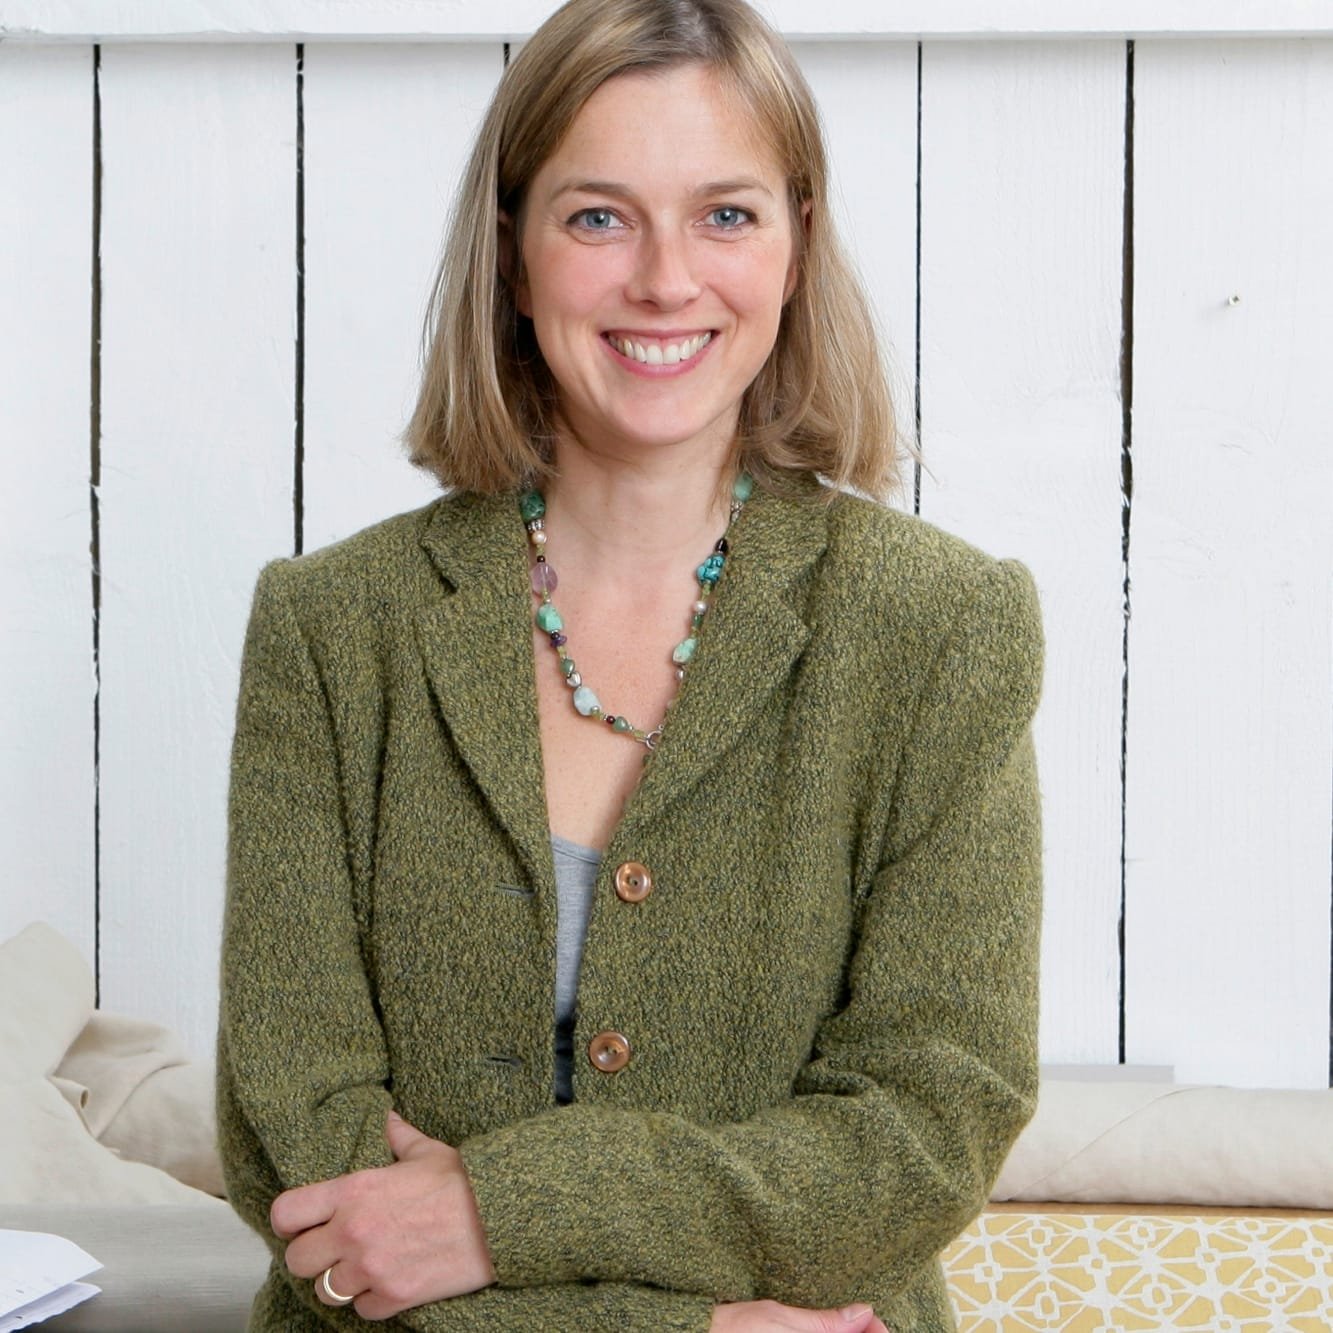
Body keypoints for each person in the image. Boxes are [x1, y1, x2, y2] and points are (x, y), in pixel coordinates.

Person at [215, 0, 1044, 1328]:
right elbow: (297, 1150)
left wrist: (498, 1209)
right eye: (599, 216)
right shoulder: (332, 628)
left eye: (726, 215)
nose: (666, 280)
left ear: (795, 246)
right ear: (512, 253)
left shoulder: (940, 628)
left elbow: (924, 1129)